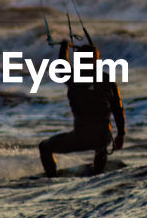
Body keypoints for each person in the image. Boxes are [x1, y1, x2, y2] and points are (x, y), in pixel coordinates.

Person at [38, 39, 125, 177]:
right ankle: (98, 171)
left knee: (44, 146)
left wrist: (65, 46)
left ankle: (51, 178)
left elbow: (61, 65)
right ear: (96, 61)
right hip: (103, 138)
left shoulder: (73, 77)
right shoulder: (108, 80)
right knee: (100, 145)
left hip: (81, 137)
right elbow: (118, 108)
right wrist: (121, 134)